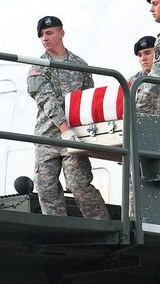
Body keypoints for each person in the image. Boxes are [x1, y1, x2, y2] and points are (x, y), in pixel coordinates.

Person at [26, 16, 109, 219]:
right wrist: (64, 128)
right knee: (46, 188)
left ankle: (100, 223)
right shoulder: (37, 67)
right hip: (48, 137)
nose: (45, 38)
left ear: (61, 33)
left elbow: (89, 99)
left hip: (75, 135)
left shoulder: (80, 66)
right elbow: (46, 100)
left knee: (78, 184)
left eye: (49, 33)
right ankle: (57, 227)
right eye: (42, 35)